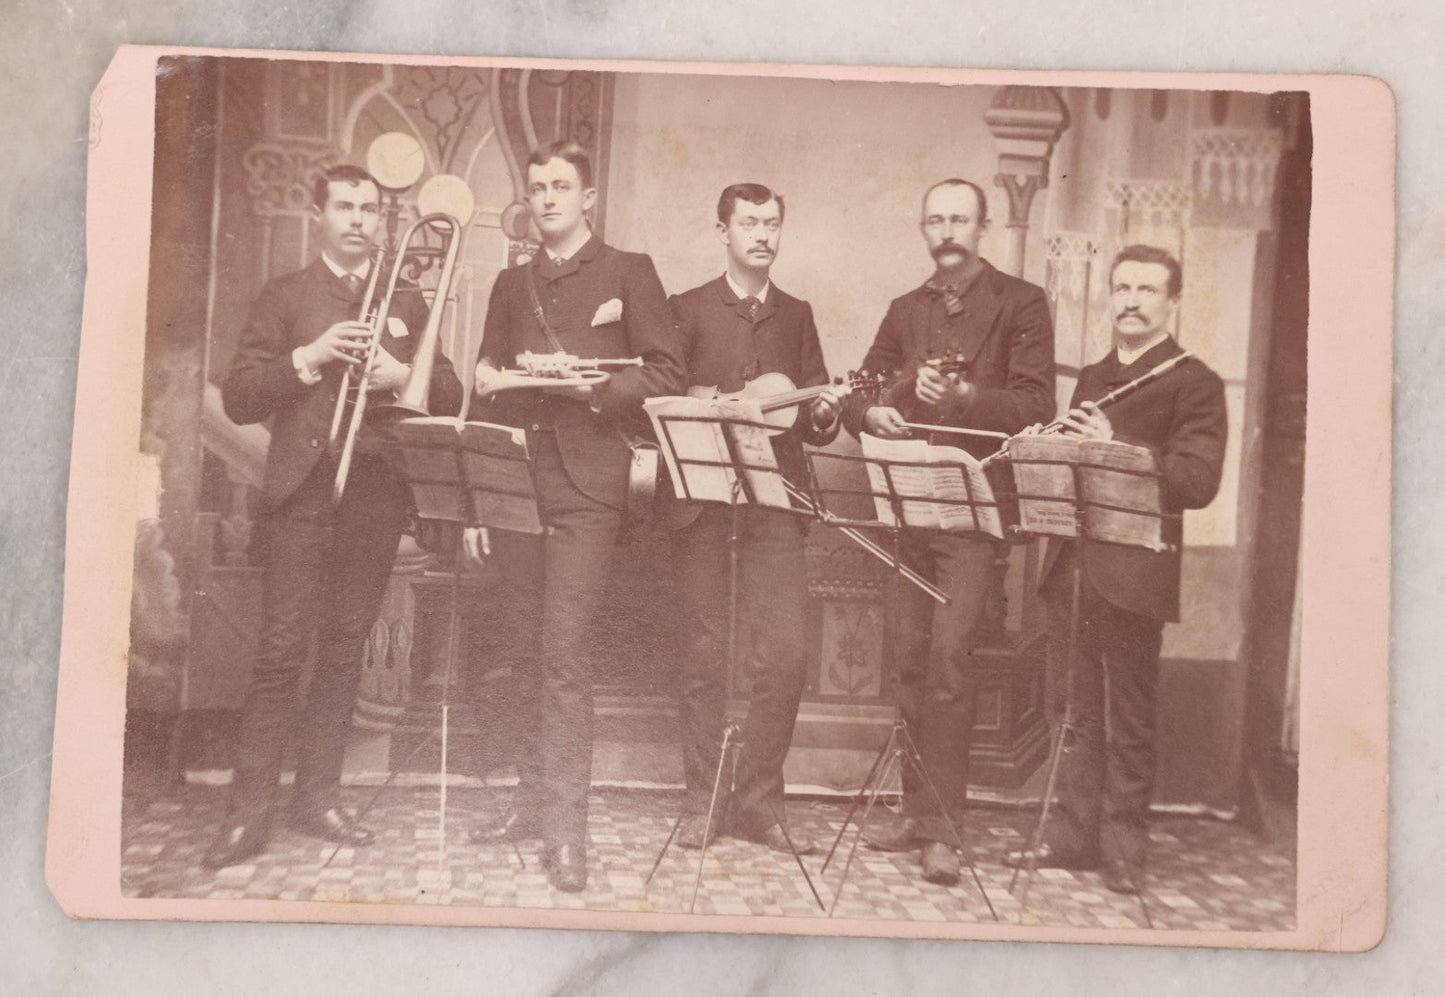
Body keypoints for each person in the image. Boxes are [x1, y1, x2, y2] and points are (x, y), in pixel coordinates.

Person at [207, 164, 464, 868]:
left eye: (370, 210)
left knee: (345, 644)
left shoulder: (405, 296)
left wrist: (396, 373)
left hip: (376, 493)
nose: (359, 219)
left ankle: (318, 797)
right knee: (282, 648)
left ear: (384, 220)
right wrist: (310, 357)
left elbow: (446, 387)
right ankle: (247, 812)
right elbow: (239, 397)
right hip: (304, 493)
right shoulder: (285, 296)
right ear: (317, 213)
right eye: (345, 207)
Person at [467, 141, 685, 892]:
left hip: (589, 487)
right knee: (522, 651)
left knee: (563, 657)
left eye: (562, 186)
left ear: (588, 198)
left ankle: (566, 833)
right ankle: (530, 806)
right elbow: (485, 383)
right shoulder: (508, 282)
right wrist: (475, 495)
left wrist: (589, 388)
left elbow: (664, 372)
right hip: (514, 484)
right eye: (536, 188)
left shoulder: (628, 271)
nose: (548, 198)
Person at [841, 178, 1055, 885]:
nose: (947, 231)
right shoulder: (906, 309)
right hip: (907, 504)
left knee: (949, 658)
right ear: (922, 229)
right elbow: (863, 389)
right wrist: (873, 414)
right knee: (906, 656)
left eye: (959, 218)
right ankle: (913, 810)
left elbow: (1034, 405)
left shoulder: (1021, 303)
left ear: (982, 226)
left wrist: (964, 397)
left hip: (972, 511)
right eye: (934, 219)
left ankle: (944, 827)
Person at [1003, 244, 1227, 894]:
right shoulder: (1096, 375)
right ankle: (1073, 838)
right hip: (1073, 567)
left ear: (1171, 302)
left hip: (1136, 574)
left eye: (1146, 290)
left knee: (1128, 717)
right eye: (1121, 287)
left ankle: (1124, 847)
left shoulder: (1194, 381)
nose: (1129, 300)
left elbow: (1198, 479)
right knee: (1070, 712)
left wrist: (1115, 448)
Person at [667, 184, 842, 855]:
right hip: (704, 500)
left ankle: (758, 801)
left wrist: (823, 411)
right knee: (703, 652)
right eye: (748, 223)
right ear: (722, 230)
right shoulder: (686, 309)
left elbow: (817, 414)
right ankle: (701, 799)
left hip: (775, 502)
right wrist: (713, 401)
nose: (761, 234)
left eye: (772, 223)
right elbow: (663, 393)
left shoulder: (795, 315)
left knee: (786, 654)